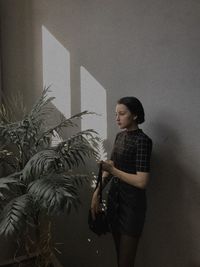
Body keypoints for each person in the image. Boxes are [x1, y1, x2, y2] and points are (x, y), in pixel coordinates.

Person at [91, 96, 153, 267]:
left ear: (134, 115)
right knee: (119, 258)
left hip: (133, 207)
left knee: (126, 263)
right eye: (115, 114)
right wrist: (97, 193)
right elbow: (110, 166)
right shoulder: (119, 137)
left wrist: (113, 170)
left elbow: (142, 181)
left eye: (122, 113)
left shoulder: (143, 141)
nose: (117, 118)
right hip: (115, 202)